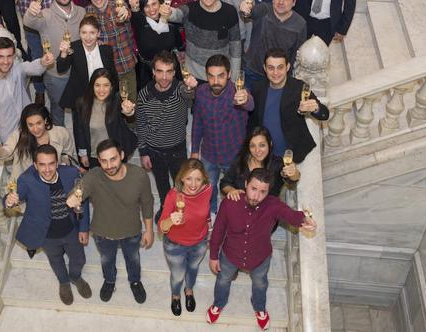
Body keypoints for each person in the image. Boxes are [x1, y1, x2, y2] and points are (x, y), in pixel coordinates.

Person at [206, 168, 317, 329]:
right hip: (230, 255)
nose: (256, 196)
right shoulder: (230, 203)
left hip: (260, 258)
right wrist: (214, 256)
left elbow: (290, 215)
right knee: (223, 280)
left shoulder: (273, 204)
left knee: (260, 284)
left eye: (262, 191)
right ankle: (218, 304)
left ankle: (259, 308)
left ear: (268, 192)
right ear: (245, 185)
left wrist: (304, 219)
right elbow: (218, 231)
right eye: (253, 189)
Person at [66, 139, 154, 304]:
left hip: (132, 231)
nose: (109, 165)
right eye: (104, 161)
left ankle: (135, 281)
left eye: (113, 159)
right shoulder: (93, 176)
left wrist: (149, 230)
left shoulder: (139, 175)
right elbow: (79, 190)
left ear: (121, 155)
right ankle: (109, 280)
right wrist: (73, 197)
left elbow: (147, 203)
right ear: (98, 161)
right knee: (107, 260)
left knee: (133, 258)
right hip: (103, 233)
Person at [4, 144, 91, 305]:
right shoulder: (27, 180)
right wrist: (9, 201)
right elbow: (13, 196)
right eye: (42, 165)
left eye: (51, 163)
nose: (47, 169)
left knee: (79, 259)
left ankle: (75, 277)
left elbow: (83, 201)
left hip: (71, 230)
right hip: (47, 236)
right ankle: (64, 282)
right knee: (56, 260)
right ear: (35, 165)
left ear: (57, 163)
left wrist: (84, 228)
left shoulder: (71, 174)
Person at [135, 51, 198, 221]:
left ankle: (181, 210)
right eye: (160, 71)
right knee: (162, 184)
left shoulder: (180, 89)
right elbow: (141, 124)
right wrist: (143, 152)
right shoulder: (143, 95)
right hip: (154, 151)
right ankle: (165, 207)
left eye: (169, 72)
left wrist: (192, 86)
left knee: (180, 184)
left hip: (177, 150)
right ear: (153, 72)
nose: (164, 77)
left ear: (174, 72)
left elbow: (190, 94)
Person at [191, 54, 253, 214]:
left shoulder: (238, 92)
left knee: (235, 195)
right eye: (211, 76)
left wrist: (245, 99)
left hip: (234, 157)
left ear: (229, 74)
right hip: (208, 156)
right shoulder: (201, 93)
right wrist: (194, 151)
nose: (216, 81)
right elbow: (197, 123)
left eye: (220, 76)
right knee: (207, 194)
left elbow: (250, 104)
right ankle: (210, 219)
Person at [248, 48, 329, 163]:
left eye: (280, 67)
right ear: (265, 68)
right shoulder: (258, 88)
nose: (275, 73)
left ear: (288, 67)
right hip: (266, 155)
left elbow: (325, 114)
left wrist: (316, 108)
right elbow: (252, 121)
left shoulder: (299, 88)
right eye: (271, 68)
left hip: (292, 154)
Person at [23, 0, 85, 125]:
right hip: (56, 75)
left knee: (80, 109)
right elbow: (28, 21)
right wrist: (31, 11)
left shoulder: (82, 12)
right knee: (58, 109)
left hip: (78, 72)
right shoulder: (45, 15)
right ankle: (60, 141)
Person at [0, 36, 54, 145]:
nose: (6, 61)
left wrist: (43, 62)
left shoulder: (16, 68)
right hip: (11, 137)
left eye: (9, 56)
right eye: (1, 57)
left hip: (32, 128)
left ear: (14, 56)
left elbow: (34, 67)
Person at [158, 159, 212, 316]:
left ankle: (189, 291)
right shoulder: (173, 195)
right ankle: (176, 296)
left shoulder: (208, 189)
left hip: (200, 242)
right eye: (189, 178)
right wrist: (170, 220)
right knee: (178, 275)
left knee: (193, 269)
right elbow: (161, 227)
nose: (193, 184)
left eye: (198, 179)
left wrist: (209, 228)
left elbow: (206, 212)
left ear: (204, 180)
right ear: (181, 178)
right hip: (175, 245)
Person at [164, 0, 241, 83]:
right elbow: (177, 14)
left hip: (220, 77)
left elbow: (236, 48)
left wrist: (234, 80)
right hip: (194, 77)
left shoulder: (230, 12)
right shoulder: (190, 10)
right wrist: (169, 12)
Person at [9, 0, 57, 106]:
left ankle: (54, 83)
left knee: (55, 53)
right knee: (37, 57)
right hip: (33, 30)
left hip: (51, 24)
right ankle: (40, 91)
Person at [240, 0, 307, 87]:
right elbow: (251, 12)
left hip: (278, 77)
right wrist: (245, 10)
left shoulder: (300, 24)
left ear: (294, 2)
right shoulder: (264, 10)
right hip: (253, 72)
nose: (281, 2)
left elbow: (296, 55)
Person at [0, 104, 76, 180]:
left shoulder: (61, 133)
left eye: (39, 123)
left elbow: (68, 153)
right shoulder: (18, 136)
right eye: (31, 125)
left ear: (45, 120)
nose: (35, 129)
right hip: (28, 183)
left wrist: (64, 166)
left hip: (53, 179)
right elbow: (6, 153)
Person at [84, 0, 137, 100]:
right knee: (109, 107)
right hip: (104, 71)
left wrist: (125, 12)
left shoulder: (119, 6)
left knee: (130, 104)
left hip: (125, 65)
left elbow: (126, 14)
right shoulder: (87, 13)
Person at [73, 68, 136, 169]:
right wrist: (83, 153)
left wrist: (129, 112)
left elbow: (129, 118)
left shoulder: (117, 101)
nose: (101, 90)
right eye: (97, 85)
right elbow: (80, 130)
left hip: (115, 156)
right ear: (92, 86)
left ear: (111, 87)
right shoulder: (82, 103)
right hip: (95, 156)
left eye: (106, 85)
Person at [219, 126, 300, 201]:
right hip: (243, 208)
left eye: (262, 145)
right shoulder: (241, 160)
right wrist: (232, 190)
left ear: (270, 144)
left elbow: (294, 179)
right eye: (253, 146)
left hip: (267, 210)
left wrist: (293, 172)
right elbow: (224, 183)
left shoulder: (277, 163)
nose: (257, 150)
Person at [57, 14, 117, 111]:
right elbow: (60, 69)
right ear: (79, 33)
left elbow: (113, 76)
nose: (88, 37)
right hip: (81, 100)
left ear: (98, 34)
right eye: (84, 32)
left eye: (92, 33)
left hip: (103, 97)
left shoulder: (106, 50)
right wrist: (63, 53)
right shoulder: (73, 48)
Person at [128, 0, 184, 90]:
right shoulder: (140, 22)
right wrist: (133, 6)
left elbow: (180, 46)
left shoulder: (170, 22)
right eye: (146, 6)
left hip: (170, 72)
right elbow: (134, 12)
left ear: (160, 3)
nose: (151, 10)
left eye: (154, 4)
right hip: (147, 74)